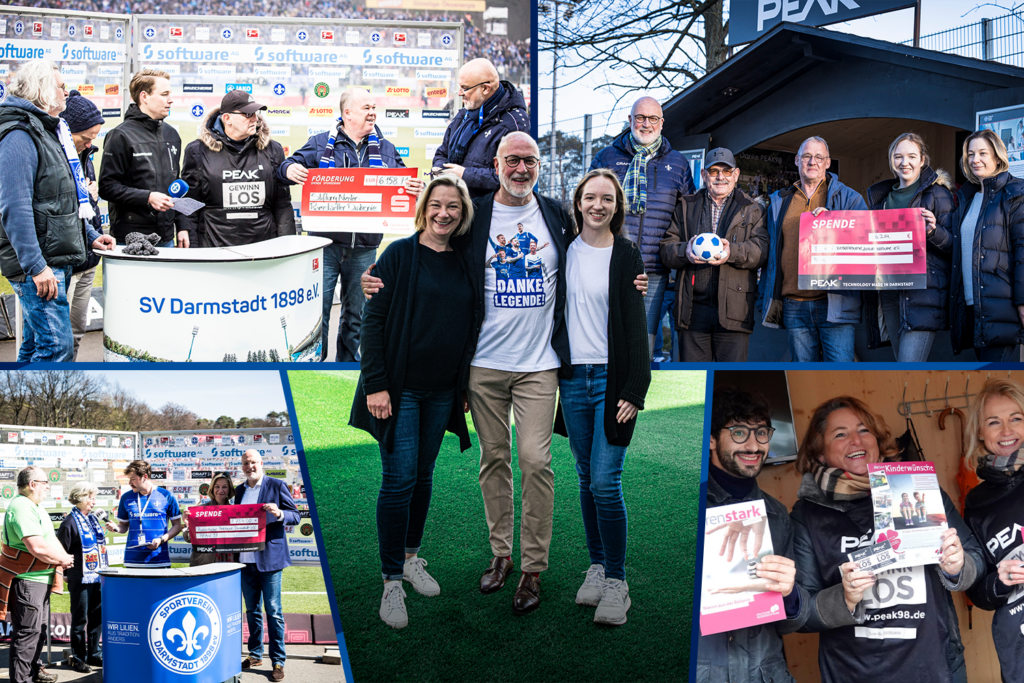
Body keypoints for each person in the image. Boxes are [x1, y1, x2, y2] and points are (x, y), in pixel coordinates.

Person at [361, 133, 648, 614]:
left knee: (536, 462)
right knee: (493, 462)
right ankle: (501, 556)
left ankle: (534, 568)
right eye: (512, 160)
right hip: (484, 367)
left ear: (539, 166)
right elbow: (432, 244)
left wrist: (631, 275)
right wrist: (378, 277)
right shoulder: (474, 215)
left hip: (540, 365)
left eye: (529, 161)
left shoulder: (560, 215)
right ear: (495, 165)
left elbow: (601, 250)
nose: (520, 168)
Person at [349, 175, 478, 629]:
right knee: (399, 480)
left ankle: (410, 559)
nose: (445, 214)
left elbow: (468, 328)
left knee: (423, 476)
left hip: (443, 391)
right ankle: (390, 583)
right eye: (438, 205)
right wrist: (377, 385)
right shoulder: (399, 255)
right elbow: (372, 323)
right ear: (424, 208)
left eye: (454, 208)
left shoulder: (464, 260)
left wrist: (461, 388)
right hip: (398, 391)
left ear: (462, 215)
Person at [790, 396, 984, 683]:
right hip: (854, 672)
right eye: (840, 434)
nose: (856, 440)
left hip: (935, 666)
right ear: (819, 452)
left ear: (877, 440)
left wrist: (957, 567)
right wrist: (843, 598)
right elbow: (800, 612)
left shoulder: (916, 488)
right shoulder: (807, 514)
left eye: (864, 430)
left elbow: (975, 559)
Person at [553, 168, 651, 625]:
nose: (598, 205)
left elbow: (637, 329)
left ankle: (618, 581)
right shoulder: (561, 252)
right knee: (584, 475)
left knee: (605, 482)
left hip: (613, 381)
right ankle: (595, 566)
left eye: (606, 199)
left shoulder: (627, 256)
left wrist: (635, 388)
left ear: (617, 205)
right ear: (577, 203)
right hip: (572, 380)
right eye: (589, 197)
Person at [276, 88, 423, 362]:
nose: (372, 112)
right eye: (366, 107)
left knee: (357, 316)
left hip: (365, 248)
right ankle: (314, 370)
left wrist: (416, 187)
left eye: (374, 107)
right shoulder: (320, 143)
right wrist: (288, 169)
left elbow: (404, 186)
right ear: (347, 113)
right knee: (318, 313)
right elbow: (287, 167)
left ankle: (346, 370)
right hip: (325, 247)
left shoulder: (387, 149)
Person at [0, 60, 115, 362]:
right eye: (61, 86)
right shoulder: (19, 135)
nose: (67, 92)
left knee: (36, 346)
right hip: (40, 266)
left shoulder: (51, 131)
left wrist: (90, 235)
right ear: (41, 90)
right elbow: (15, 206)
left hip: (52, 259)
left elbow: (63, 201)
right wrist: (36, 267)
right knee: (57, 348)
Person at [696, 387, 808, 682]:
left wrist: (790, 594)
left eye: (761, 433)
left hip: (765, 673)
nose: (754, 445)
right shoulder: (687, 506)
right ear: (710, 439)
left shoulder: (776, 514)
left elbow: (787, 623)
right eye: (738, 432)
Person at [590, 96, 695, 359]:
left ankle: (637, 398)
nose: (646, 124)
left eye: (652, 119)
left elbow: (687, 215)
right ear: (630, 120)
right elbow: (586, 205)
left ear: (662, 123)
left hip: (655, 269)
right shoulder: (607, 157)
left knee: (644, 345)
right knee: (605, 338)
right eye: (640, 118)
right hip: (609, 263)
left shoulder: (679, 164)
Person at [759, 137, 869, 362]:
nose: (813, 162)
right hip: (793, 305)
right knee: (804, 373)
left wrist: (835, 222)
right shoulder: (780, 201)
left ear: (828, 163)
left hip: (834, 304)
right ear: (798, 160)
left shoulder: (849, 198)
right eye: (807, 156)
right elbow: (768, 249)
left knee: (841, 372)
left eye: (819, 157)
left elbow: (867, 243)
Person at [659, 147, 767, 362]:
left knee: (730, 379)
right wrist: (685, 252)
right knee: (693, 379)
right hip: (692, 310)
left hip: (734, 312)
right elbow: (666, 248)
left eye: (726, 171)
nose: (720, 177)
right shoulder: (685, 206)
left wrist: (732, 253)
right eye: (714, 171)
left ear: (735, 175)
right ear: (703, 175)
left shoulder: (751, 208)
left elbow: (761, 250)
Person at [862, 133, 956, 362]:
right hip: (889, 293)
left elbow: (954, 246)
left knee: (908, 365)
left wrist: (933, 232)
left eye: (912, 156)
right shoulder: (882, 199)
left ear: (923, 159)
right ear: (891, 160)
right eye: (898, 156)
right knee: (900, 365)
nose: (905, 163)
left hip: (922, 296)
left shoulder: (938, 194)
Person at [963, 378, 1024, 683]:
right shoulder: (976, 503)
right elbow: (978, 593)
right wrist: (999, 582)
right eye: (994, 422)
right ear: (980, 433)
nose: (1007, 431)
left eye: (1016, 418)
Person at [178, 90, 295, 247]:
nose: (255, 119)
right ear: (227, 118)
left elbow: (282, 204)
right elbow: (189, 202)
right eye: (248, 114)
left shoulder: (273, 150)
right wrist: (192, 247)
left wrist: (286, 245)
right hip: (214, 248)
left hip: (264, 249)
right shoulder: (197, 151)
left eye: (256, 113)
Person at [949, 129, 1024, 361]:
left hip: (1001, 306)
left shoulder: (1014, 192)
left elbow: (1022, 250)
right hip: (972, 306)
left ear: (997, 157)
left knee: (994, 378)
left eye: (983, 153)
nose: (975, 159)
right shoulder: (967, 199)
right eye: (970, 154)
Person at [98, 68, 186, 247]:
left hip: (166, 237)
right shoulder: (120, 135)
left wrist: (182, 226)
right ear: (144, 97)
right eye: (164, 94)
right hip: (130, 239)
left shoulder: (172, 134)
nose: (171, 99)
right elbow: (107, 188)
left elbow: (176, 184)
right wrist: (148, 197)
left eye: (170, 94)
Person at [3, 467, 73, 683]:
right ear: (32, 484)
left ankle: (35, 670)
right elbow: (38, 547)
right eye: (44, 482)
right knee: (27, 635)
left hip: (39, 579)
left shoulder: (33, 506)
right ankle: (21, 680)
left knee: (39, 631)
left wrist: (63, 557)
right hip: (28, 581)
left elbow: (49, 540)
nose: (48, 486)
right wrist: (63, 559)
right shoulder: (22, 507)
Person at [236, 449, 300, 681]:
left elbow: (296, 515)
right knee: (252, 611)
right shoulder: (239, 490)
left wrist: (280, 513)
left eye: (253, 462)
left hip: (269, 560)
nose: (249, 466)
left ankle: (278, 662)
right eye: (245, 463)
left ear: (261, 463)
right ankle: (255, 654)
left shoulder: (276, 485)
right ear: (241, 466)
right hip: (245, 561)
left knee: (273, 612)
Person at [432, 58, 530, 199]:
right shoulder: (465, 114)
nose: (459, 93)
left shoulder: (515, 123)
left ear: (485, 89)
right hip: (457, 207)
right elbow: (442, 152)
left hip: (489, 214)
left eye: (465, 88)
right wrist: (440, 169)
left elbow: (515, 177)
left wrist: (465, 175)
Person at [59, 90, 106, 361]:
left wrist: (94, 236)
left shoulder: (86, 155)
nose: (90, 144)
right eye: (86, 137)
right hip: (63, 264)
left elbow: (85, 209)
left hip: (88, 259)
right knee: (54, 339)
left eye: (94, 137)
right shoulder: (54, 158)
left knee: (76, 332)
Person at [55, 481, 106, 673]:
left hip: (97, 577)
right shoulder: (69, 522)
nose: (93, 501)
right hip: (80, 578)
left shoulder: (93, 520)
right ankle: (78, 658)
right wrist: (66, 575)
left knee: (97, 617)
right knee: (79, 620)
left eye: (94, 497)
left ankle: (94, 654)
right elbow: (61, 551)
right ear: (81, 498)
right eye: (90, 497)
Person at [106, 460, 182, 568]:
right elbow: (123, 526)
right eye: (129, 479)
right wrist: (116, 528)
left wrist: (161, 540)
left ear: (144, 477)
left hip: (159, 559)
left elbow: (177, 526)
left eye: (133, 479)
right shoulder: (126, 498)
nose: (130, 483)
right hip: (132, 560)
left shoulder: (166, 495)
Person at [183, 472, 238, 566]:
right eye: (217, 486)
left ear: (229, 489)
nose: (220, 490)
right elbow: (188, 539)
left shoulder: (235, 512)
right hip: (203, 564)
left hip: (227, 564)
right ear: (212, 488)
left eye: (224, 487)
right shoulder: (200, 510)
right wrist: (188, 524)